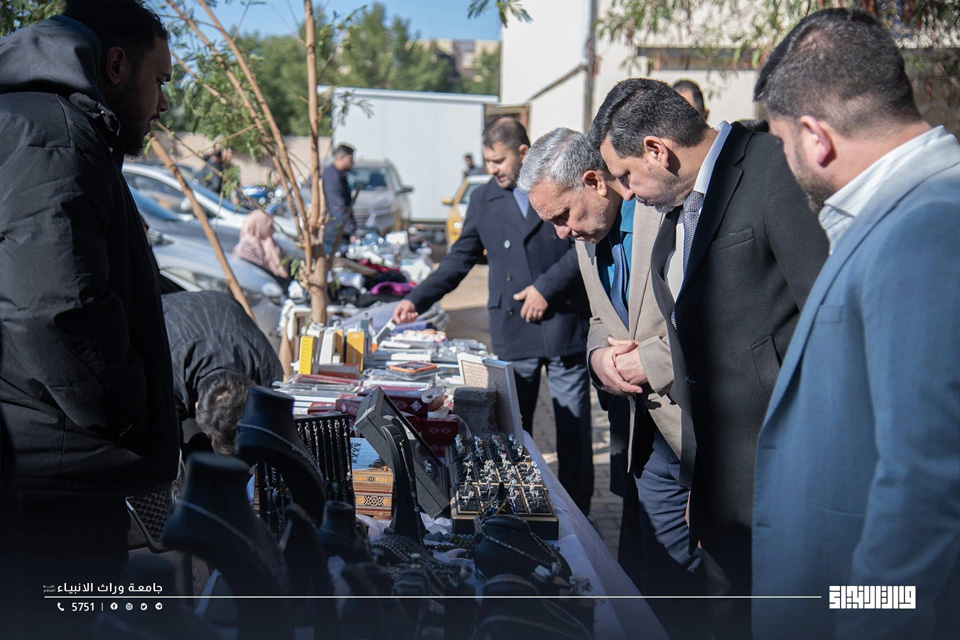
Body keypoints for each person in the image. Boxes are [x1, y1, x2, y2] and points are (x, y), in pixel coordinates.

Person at [591, 77, 829, 636]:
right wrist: (702, 478)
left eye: (626, 175)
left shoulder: (772, 168)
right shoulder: (678, 210)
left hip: (784, 486)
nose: (626, 194)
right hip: (718, 490)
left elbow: (828, 324)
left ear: (656, 149)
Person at [751, 9, 960, 640]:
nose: (786, 161)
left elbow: (926, 480)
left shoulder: (925, 226)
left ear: (815, 137)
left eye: (782, 143)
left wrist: (873, 621)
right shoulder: (907, 212)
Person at [0, 1, 177, 635]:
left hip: (48, 470)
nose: (162, 103)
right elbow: (54, 308)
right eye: (159, 80)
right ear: (116, 65)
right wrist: (123, 410)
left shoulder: (43, 123)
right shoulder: (56, 136)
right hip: (54, 490)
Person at [520, 128, 704, 635]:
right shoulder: (587, 234)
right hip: (645, 434)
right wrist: (599, 357)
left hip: (697, 430)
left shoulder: (666, 215)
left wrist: (652, 363)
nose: (561, 234)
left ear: (594, 181)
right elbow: (601, 317)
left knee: (696, 587)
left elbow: (714, 321)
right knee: (653, 575)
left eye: (563, 216)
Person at [392, 117, 595, 514]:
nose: (492, 169)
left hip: (563, 322)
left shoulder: (555, 185)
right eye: (487, 161)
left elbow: (583, 244)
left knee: (573, 428)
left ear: (523, 152)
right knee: (515, 433)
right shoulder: (484, 198)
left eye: (498, 160)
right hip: (514, 328)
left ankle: (579, 512)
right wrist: (418, 299)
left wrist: (545, 289)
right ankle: (524, 511)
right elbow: (460, 259)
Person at [163, 291, 285, 457]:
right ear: (197, 406)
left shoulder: (265, 368)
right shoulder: (166, 376)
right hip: (170, 315)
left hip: (220, 307)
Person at [232, 208, 290, 281]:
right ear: (260, 225)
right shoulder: (245, 248)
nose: (273, 229)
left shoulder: (273, 246)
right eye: (269, 225)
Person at [322, 143, 356, 254]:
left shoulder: (338, 175)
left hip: (337, 229)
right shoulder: (333, 177)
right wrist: (350, 230)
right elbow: (338, 207)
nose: (353, 163)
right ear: (341, 158)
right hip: (334, 231)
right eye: (350, 159)